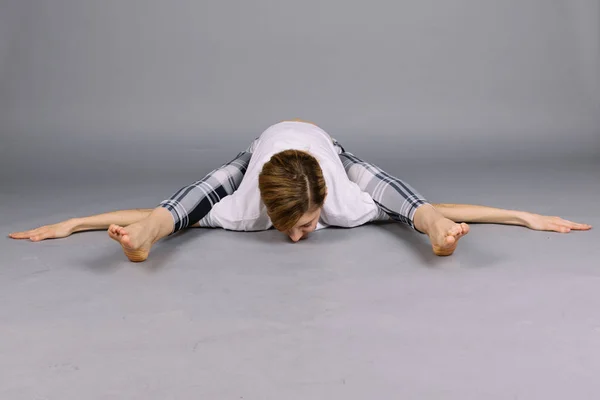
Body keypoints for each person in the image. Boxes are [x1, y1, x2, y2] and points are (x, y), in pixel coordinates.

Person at [8, 120, 592, 262]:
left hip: (322, 148)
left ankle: (430, 227)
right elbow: (173, 203)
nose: (295, 236)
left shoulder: (340, 197)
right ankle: (143, 245)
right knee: (192, 203)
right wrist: (79, 224)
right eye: (289, 226)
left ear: (321, 207)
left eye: (306, 225)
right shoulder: (250, 208)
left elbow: (413, 196)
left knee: (401, 201)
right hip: (263, 149)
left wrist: (521, 216)